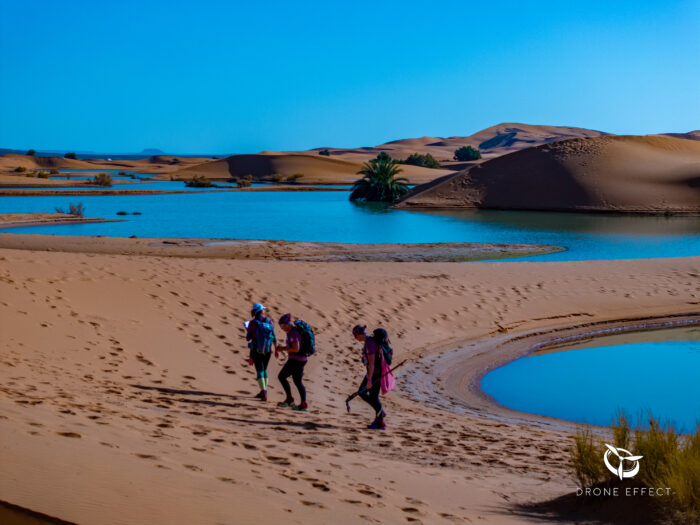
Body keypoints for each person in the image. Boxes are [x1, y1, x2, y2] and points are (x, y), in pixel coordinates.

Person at [352, 325, 386, 429]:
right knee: (368, 395)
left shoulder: (370, 343)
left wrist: (369, 380)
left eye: (355, 335)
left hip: (375, 374)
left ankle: (380, 418)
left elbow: (372, 363)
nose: (355, 338)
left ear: (359, 334)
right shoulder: (369, 340)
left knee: (368, 395)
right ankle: (380, 416)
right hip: (373, 373)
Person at [276, 313, 309, 411]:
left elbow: (295, 349)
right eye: (280, 326)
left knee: (281, 377)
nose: (282, 328)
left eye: (282, 326)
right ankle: (303, 404)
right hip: (301, 359)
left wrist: (283, 349)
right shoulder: (293, 332)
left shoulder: (293, 333)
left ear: (287, 323)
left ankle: (290, 400)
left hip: (296, 360)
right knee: (297, 381)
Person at [245, 303, 276, 401]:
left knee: (259, 370)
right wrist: (276, 350)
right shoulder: (269, 321)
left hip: (256, 350)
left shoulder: (252, 323)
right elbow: (274, 336)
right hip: (268, 350)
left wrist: (249, 330)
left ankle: (264, 391)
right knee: (265, 370)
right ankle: (263, 391)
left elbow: (248, 338)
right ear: (262, 311)